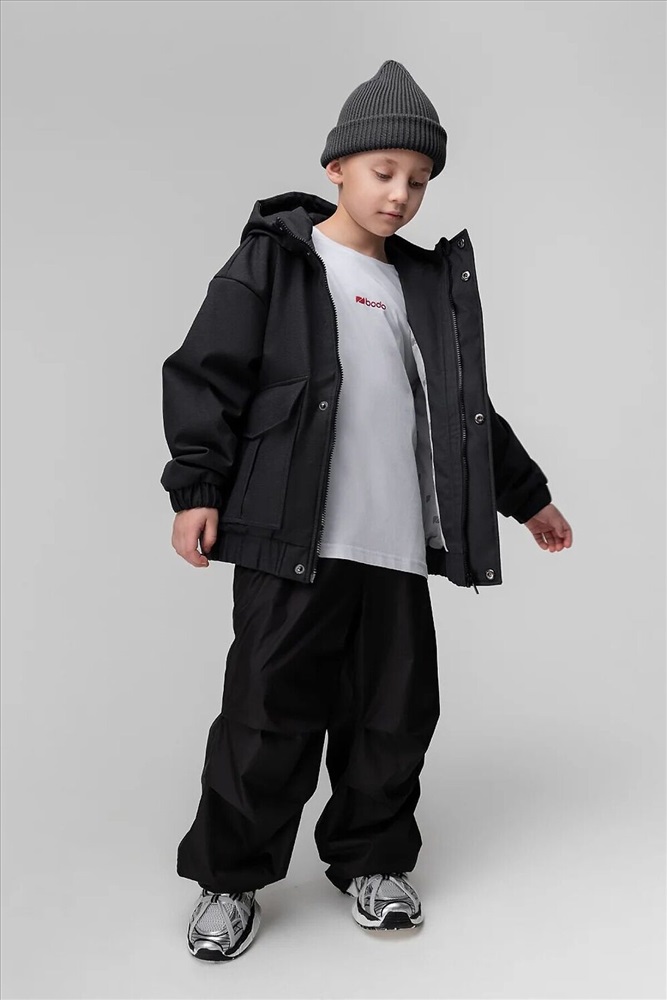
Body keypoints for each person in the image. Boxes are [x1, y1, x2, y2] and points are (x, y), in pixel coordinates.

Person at [159, 59, 572, 962]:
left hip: (393, 545)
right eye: (384, 172)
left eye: (418, 181)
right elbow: (206, 370)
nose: (400, 195)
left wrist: (526, 495)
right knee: (266, 713)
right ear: (336, 167)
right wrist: (196, 487)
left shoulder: (422, 286)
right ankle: (229, 880)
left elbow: (465, 413)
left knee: (393, 715)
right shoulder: (278, 260)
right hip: (289, 537)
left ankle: (373, 862)